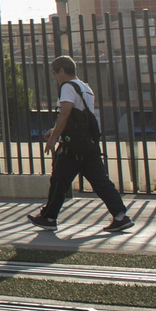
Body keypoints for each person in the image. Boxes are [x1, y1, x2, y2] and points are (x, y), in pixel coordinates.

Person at [28, 55, 133, 232]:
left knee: (59, 180)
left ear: (62, 71)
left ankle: (49, 217)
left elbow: (66, 114)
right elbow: (80, 115)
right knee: (100, 181)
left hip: (73, 146)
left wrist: (54, 138)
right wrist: (55, 131)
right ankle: (120, 215)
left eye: (55, 74)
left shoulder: (67, 87)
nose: (54, 78)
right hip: (87, 143)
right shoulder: (85, 87)